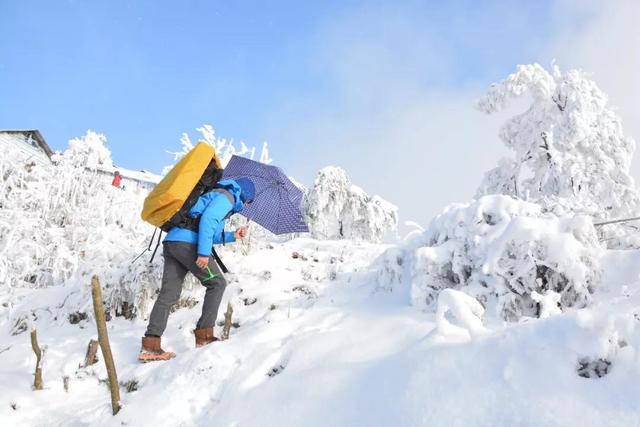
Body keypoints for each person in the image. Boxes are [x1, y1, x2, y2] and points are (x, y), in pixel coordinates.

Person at [138, 177, 256, 362]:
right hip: (189, 245)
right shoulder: (228, 197)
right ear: (245, 196)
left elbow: (210, 231)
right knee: (217, 283)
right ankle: (205, 337)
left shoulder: (216, 195)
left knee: (168, 294)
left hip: (173, 242)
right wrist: (202, 253)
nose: (247, 206)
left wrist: (234, 235)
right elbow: (208, 221)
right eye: (249, 202)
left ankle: (150, 346)